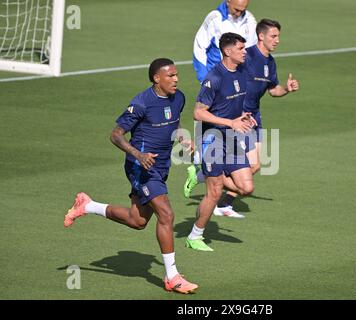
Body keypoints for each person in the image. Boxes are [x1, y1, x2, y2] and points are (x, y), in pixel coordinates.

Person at [63, 58, 198, 294]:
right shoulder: (142, 102)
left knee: (138, 221)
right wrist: (139, 154)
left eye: (177, 75)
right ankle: (172, 277)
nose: (176, 79)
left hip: (162, 165)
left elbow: (172, 123)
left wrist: (183, 138)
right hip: (141, 166)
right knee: (166, 214)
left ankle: (87, 205)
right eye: (171, 76)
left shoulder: (179, 98)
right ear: (157, 78)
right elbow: (116, 135)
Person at [185, 19, 300, 218]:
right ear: (261, 36)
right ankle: (210, 180)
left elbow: (273, 90)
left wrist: (286, 90)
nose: (277, 40)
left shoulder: (269, 62)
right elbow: (227, 80)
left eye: (278, 36)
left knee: (255, 165)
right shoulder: (247, 57)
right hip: (237, 118)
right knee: (249, 167)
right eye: (273, 36)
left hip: (252, 116)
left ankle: (220, 196)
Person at [185, 33, 256, 252]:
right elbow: (198, 113)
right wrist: (229, 122)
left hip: (233, 137)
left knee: (246, 187)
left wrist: (244, 116)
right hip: (213, 139)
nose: (245, 51)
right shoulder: (213, 78)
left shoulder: (243, 71)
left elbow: (234, 103)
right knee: (214, 192)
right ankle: (195, 235)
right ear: (228, 51)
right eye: (241, 48)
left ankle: (199, 173)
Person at [193, 0, 257, 83]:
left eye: (242, 10)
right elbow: (199, 46)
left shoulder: (250, 19)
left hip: (240, 77)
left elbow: (252, 49)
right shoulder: (215, 18)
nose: (238, 14)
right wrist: (203, 77)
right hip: (216, 77)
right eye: (236, 10)